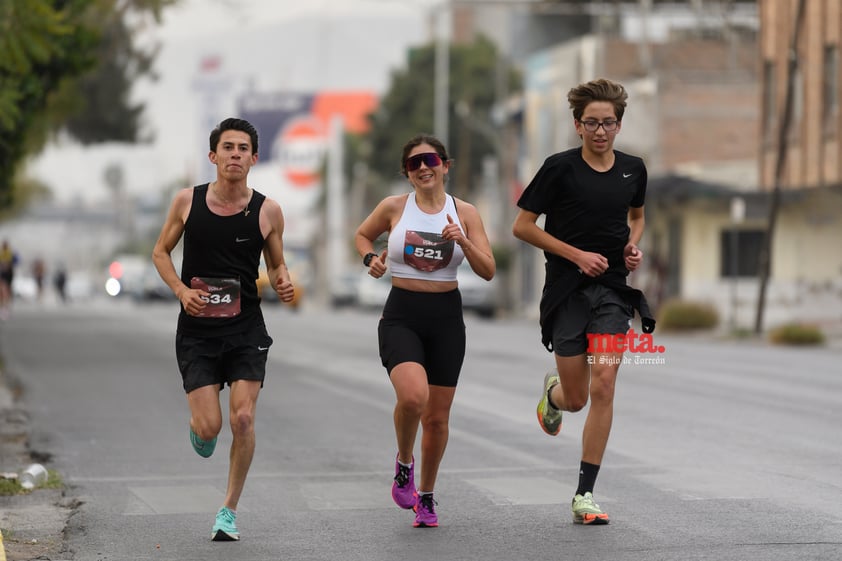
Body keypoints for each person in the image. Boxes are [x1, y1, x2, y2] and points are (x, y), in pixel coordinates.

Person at [512, 78, 655, 525]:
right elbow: (523, 226)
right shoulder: (559, 168)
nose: (600, 131)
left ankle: (584, 494)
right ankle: (552, 396)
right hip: (566, 290)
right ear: (577, 125)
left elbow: (637, 216)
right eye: (591, 123)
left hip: (614, 289)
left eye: (608, 123)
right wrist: (575, 255)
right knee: (576, 399)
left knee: (605, 383)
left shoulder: (634, 169)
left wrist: (632, 247)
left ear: (618, 125)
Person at [152, 117, 295, 541]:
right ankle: (201, 427)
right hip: (197, 329)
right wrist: (180, 290)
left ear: (254, 157)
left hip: (246, 326)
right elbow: (160, 253)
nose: (235, 155)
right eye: (227, 148)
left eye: (243, 148)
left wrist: (283, 278)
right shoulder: (186, 202)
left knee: (245, 419)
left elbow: (276, 263)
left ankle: (228, 510)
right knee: (210, 427)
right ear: (213, 156)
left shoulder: (268, 210)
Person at [354, 133, 495, 528]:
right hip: (402, 314)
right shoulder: (394, 207)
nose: (422, 168)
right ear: (407, 173)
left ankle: (427, 497)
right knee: (413, 397)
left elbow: (488, 270)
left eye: (429, 160)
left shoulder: (464, 212)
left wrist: (463, 241)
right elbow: (362, 235)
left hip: (447, 318)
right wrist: (370, 258)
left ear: (445, 166)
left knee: (437, 419)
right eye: (413, 164)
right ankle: (403, 463)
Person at [0, 240, 18, 319]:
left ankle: (6, 307)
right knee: (3, 290)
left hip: (8, 274)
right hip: (3, 274)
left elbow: (16, 261)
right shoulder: (2, 253)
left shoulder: (10, 253)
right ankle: (4, 308)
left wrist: (8, 265)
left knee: (7, 290)